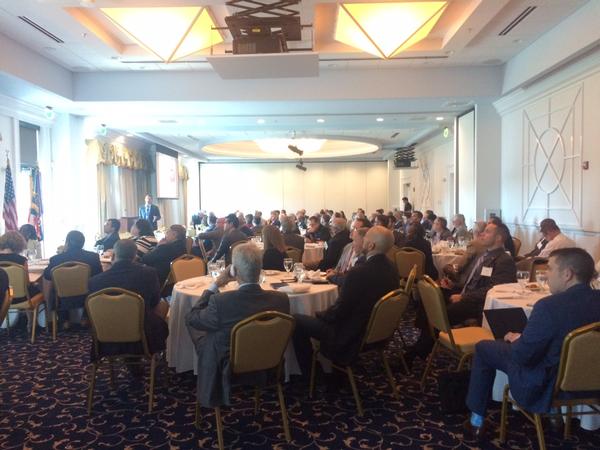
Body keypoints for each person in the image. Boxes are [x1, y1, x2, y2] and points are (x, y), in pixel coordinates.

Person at [464, 248, 600, 441]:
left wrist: (517, 339)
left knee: (483, 347)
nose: (546, 274)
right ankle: (555, 418)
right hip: (593, 379)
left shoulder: (548, 306)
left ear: (567, 274)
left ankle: (476, 421)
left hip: (548, 383)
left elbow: (523, 356)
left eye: (550, 269)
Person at [185, 243, 290, 407]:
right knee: (214, 328)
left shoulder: (220, 302)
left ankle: (207, 377)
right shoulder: (281, 299)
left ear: (234, 270)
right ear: (260, 268)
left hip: (227, 366)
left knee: (201, 326)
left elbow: (192, 317)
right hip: (268, 360)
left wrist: (215, 285)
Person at [292, 226, 399, 376]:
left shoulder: (359, 273)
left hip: (350, 334)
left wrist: (318, 314)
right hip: (375, 332)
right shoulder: (393, 268)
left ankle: (310, 373)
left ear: (370, 245)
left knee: (296, 320)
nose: (355, 241)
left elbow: (339, 312)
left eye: (364, 238)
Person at [88, 239, 169, 358]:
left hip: (106, 334)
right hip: (142, 334)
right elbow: (154, 302)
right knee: (163, 304)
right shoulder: (149, 274)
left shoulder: (95, 281)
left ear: (114, 256)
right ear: (135, 255)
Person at [441, 222, 517, 325]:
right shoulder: (485, 255)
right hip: (468, 295)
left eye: (487, 232)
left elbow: (492, 290)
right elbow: (474, 283)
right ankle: (428, 337)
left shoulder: (504, 260)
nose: (482, 234)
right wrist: (453, 285)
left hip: (478, 304)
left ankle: (436, 337)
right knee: (432, 295)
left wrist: (463, 297)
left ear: (498, 238)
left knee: (442, 312)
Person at [43, 230, 103, 328]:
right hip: (86, 296)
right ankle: (85, 318)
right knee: (94, 286)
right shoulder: (93, 257)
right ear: (83, 243)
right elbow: (99, 276)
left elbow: (47, 276)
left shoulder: (56, 259)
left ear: (67, 243)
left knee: (56, 288)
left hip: (62, 299)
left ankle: (64, 320)